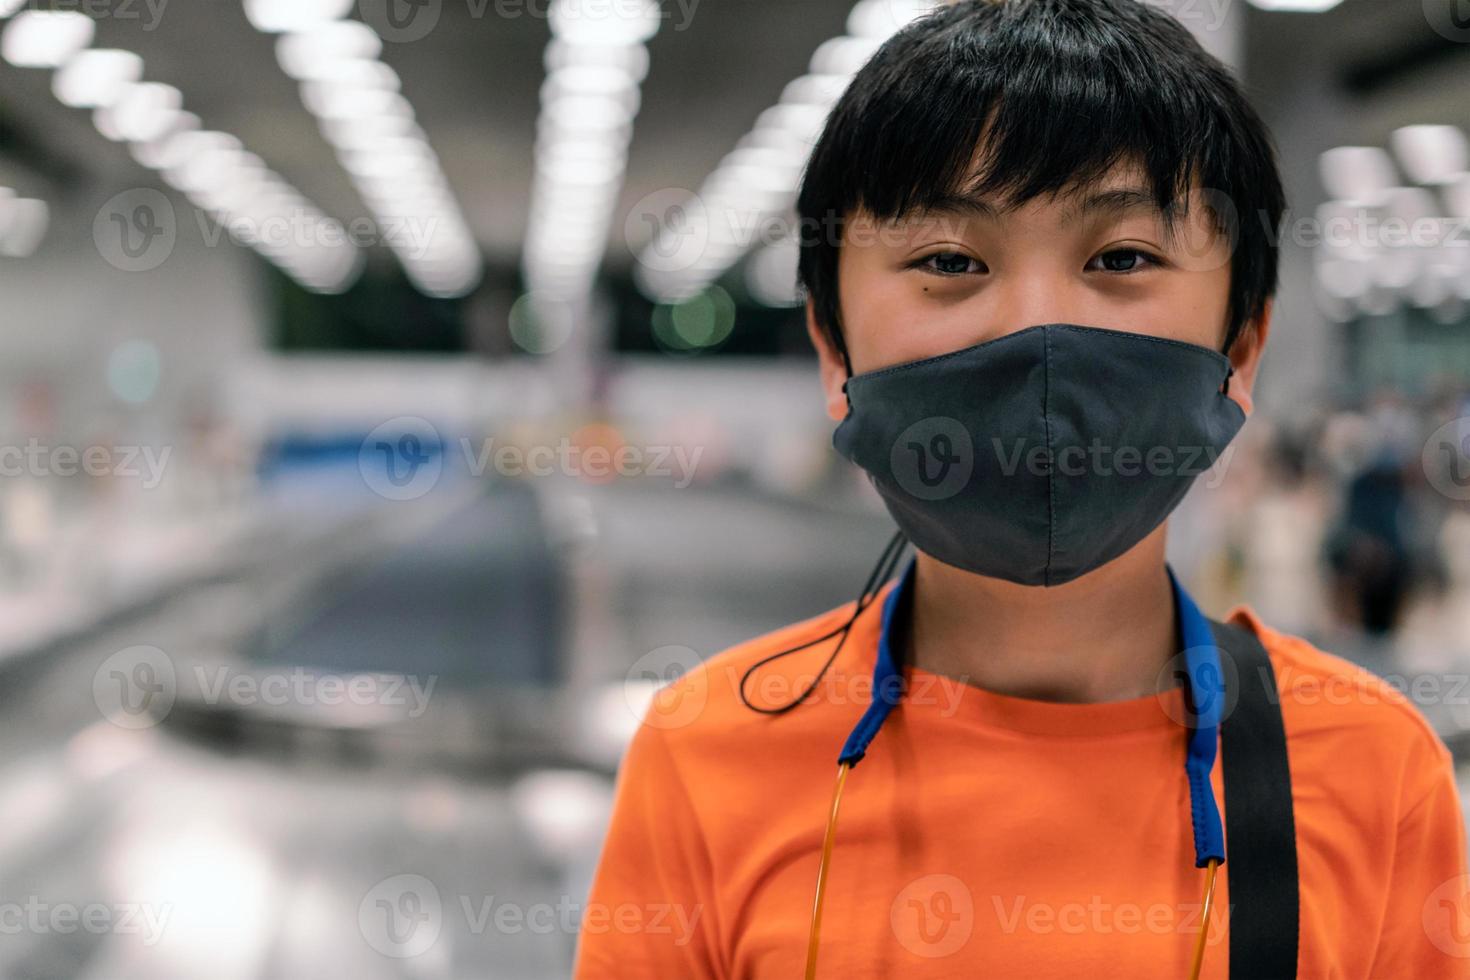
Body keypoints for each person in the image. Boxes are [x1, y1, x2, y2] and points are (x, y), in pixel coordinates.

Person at [574, 0, 1470, 976]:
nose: (1036, 331)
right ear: (836, 353)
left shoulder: (1368, 765)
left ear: (1240, 348)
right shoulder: (710, 754)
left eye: (1122, 257)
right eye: (950, 261)